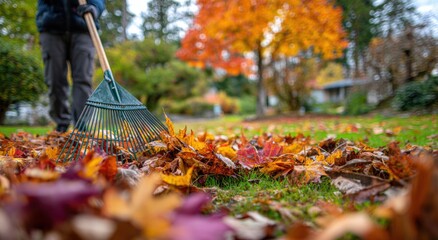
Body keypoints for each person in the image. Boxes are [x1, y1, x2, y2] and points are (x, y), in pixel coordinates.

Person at [36, 0, 105, 132]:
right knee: (54, 79)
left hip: (84, 26)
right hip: (52, 26)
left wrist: (94, 8)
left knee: (83, 80)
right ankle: (61, 124)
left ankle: (82, 125)